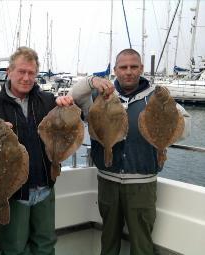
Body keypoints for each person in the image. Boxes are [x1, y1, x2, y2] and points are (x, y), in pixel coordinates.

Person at [57, 48, 190, 255]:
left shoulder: (156, 96)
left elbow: (184, 127)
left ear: (141, 69)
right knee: (108, 240)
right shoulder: (97, 95)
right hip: (107, 181)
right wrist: (92, 80)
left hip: (143, 185)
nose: (128, 71)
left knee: (142, 243)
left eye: (133, 67)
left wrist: (166, 126)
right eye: (123, 67)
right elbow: (71, 97)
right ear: (116, 70)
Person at [0, 46, 60, 255]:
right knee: (14, 248)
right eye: (21, 72)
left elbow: (67, 128)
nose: (26, 77)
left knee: (46, 244)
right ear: (9, 71)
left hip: (45, 185)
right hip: (13, 193)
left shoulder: (49, 101)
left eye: (31, 73)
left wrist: (68, 103)